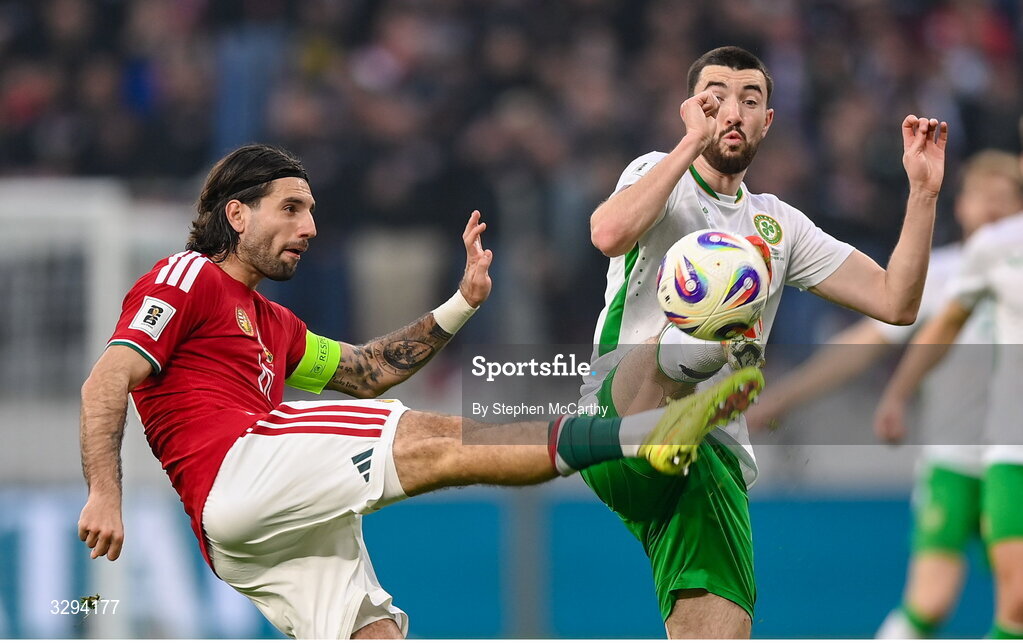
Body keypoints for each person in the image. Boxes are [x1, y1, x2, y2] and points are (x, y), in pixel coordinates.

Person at [76, 143, 765, 639]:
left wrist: (462, 304)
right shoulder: (189, 276)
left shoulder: (272, 323)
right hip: (238, 470)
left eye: (311, 211)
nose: (309, 227)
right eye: (290, 209)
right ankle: (641, 433)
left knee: (372, 635)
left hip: (250, 534)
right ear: (236, 214)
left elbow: (366, 370)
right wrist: (105, 491)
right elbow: (107, 377)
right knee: (437, 439)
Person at [579, 46, 949, 638]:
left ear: (767, 121)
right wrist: (686, 146)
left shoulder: (780, 224)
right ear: (692, 109)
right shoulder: (659, 172)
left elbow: (896, 302)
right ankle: (713, 345)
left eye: (750, 100)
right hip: (620, 413)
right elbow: (608, 233)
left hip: (706, 457)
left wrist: (924, 194)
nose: (733, 111)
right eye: (715, 97)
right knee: (705, 319)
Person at [744, 150, 1023, 638]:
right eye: (983, 197)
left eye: (1007, 199)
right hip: (953, 457)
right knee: (930, 602)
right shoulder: (943, 272)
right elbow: (861, 346)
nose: (994, 209)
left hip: (1012, 453)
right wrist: (782, 399)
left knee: (1016, 600)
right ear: (962, 206)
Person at [874, 201, 1023, 638]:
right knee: (1004, 602)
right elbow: (943, 325)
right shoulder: (992, 250)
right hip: (998, 449)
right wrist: (898, 393)